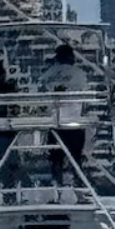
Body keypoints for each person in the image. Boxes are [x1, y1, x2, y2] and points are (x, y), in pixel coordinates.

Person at [37, 45, 91, 185]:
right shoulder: (79, 74)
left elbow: (41, 97)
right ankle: (78, 187)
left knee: (55, 159)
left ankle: (57, 187)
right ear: (71, 57)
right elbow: (85, 101)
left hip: (54, 123)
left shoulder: (47, 74)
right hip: (74, 122)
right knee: (76, 158)